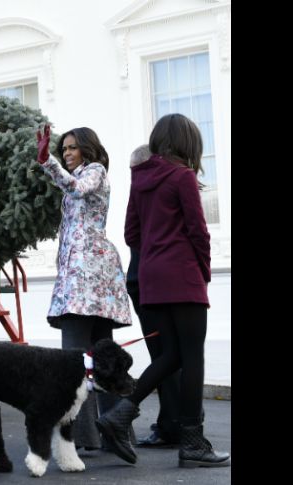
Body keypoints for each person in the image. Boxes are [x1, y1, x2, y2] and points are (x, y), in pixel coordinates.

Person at [96, 113, 230, 467]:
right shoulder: (183, 176)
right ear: (188, 143)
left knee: (170, 356)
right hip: (182, 276)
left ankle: (119, 415)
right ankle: (193, 443)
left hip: (152, 277)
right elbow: (198, 232)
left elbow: (131, 234)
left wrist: (156, 251)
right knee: (192, 359)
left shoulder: (140, 179)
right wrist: (201, 270)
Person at [34, 125, 133, 451]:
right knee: (94, 358)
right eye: (64, 149)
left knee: (80, 360)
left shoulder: (95, 172)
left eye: (72, 148)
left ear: (88, 149)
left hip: (89, 278)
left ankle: (92, 436)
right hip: (84, 278)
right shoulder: (84, 176)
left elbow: (76, 189)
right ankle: (100, 435)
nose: (67, 153)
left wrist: (48, 162)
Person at [127, 144, 196, 448]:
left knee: (166, 357)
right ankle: (177, 424)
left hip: (147, 281)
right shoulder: (174, 183)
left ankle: (173, 424)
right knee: (175, 357)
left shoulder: (145, 191)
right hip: (165, 281)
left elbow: (132, 235)